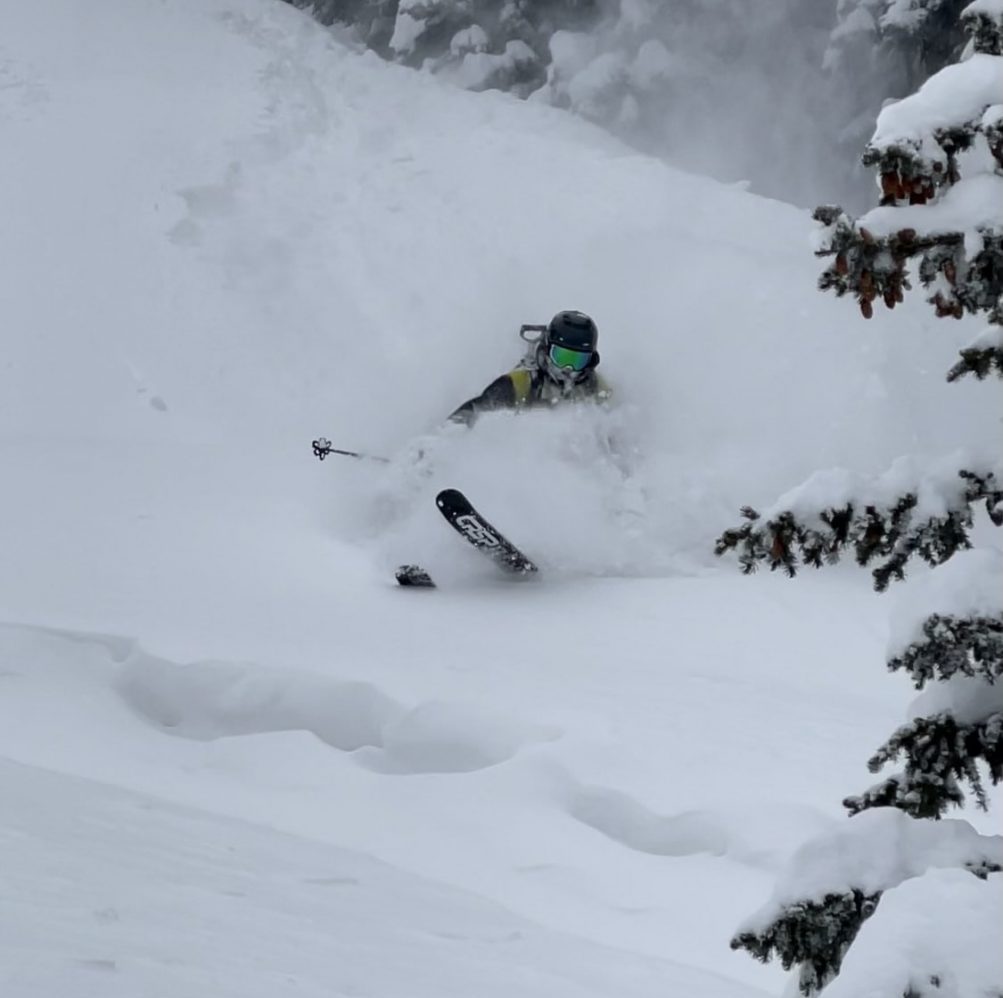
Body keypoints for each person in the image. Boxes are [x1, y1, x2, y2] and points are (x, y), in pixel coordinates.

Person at [448, 310, 611, 426]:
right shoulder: (521, 383)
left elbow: (614, 430)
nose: (568, 368)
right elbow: (471, 414)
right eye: (561, 357)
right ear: (547, 351)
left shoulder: (595, 387)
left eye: (578, 360)